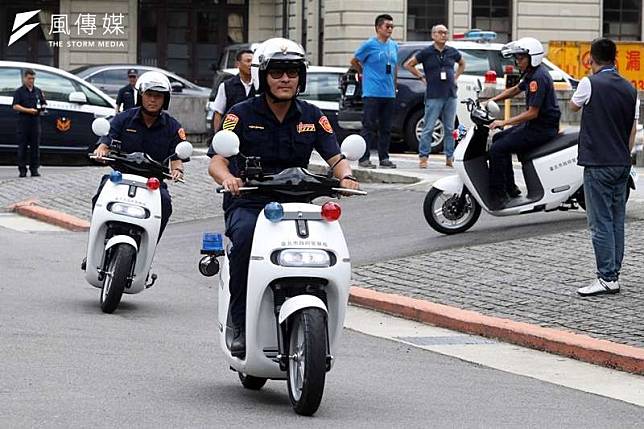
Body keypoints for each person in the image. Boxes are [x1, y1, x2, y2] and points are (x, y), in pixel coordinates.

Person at [208, 38, 360, 357]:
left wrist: (346, 176)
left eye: (292, 72)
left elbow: (335, 157)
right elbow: (216, 161)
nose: (285, 79)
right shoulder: (240, 113)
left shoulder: (313, 115)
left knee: (332, 246)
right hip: (250, 202)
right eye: (277, 72)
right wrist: (230, 179)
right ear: (264, 76)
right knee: (245, 244)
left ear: (300, 77)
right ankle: (240, 324)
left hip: (299, 206)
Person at [569, 38, 639, 297]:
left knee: (600, 222)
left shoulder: (589, 83)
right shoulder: (631, 90)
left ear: (592, 59)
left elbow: (573, 106)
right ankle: (614, 273)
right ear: (616, 59)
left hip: (598, 163)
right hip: (621, 162)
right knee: (616, 221)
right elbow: (632, 131)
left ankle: (607, 277)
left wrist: (587, 78)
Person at [93, 71, 186, 238]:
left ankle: (148, 249)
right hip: (121, 177)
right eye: (149, 95)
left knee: (165, 204)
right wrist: (101, 150)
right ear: (140, 96)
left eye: (158, 96)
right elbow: (107, 140)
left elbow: (177, 156)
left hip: (153, 182)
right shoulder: (123, 118)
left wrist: (177, 170)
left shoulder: (173, 126)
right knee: (99, 196)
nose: (153, 100)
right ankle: (97, 242)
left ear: (165, 99)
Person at [486, 37, 561, 209]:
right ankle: (511, 189)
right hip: (536, 125)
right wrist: (492, 100)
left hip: (542, 128)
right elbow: (515, 89)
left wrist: (504, 121)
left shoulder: (538, 78)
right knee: (498, 140)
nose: (517, 61)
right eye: (517, 58)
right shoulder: (532, 73)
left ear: (532, 57)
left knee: (497, 148)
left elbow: (532, 113)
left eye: (520, 58)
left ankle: (499, 195)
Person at [403, 24, 465, 168]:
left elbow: (462, 63)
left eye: (445, 33)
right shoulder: (426, 52)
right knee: (428, 126)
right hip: (434, 94)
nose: (443, 35)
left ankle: (450, 156)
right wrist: (421, 76)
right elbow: (409, 64)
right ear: (433, 35)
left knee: (450, 128)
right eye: (440, 33)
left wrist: (456, 77)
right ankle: (423, 156)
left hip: (450, 94)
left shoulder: (452, 52)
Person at [351, 14, 398, 169]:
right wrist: (363, 72)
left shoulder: (394, 45)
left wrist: (394, 85)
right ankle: (364, 158)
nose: (390, 29)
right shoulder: (369, 45)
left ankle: (384, 157)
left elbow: (394, 67)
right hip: (372, 92)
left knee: (386, 127)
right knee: (369, 126)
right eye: (387, 26)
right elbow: (354, 60)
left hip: (389, 92)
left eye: (392, 26)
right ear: (378, 28)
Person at [12, 69, 47, 178]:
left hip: (35, 122)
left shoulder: (37, 91)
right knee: (22, 147)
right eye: (29, 78)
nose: (31, 81)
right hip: (23, 122)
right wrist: (28, 110)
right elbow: (15, 106)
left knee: (35, 147)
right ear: (24, 78)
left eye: (33, 79)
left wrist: (43, 107)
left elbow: (43, 103)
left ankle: (34, 169)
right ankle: (22, 170)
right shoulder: (19, 91)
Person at [212, 49, 255, 131]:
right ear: (238, 64)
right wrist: (217, 136)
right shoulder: (226, 86)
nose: (251, 64)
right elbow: (218, 114)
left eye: (253, 61)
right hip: (232, 133)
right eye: (248, 61)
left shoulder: (259, 86)